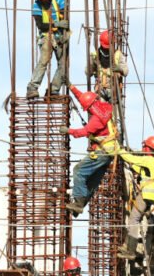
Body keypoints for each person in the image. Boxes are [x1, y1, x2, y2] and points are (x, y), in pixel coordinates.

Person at [60, 85, 117, 215]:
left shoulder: (96, 119)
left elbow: (84, 132)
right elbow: (84, 98)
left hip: (101, 152)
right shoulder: (105, 107)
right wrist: (71, 87)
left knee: (79, 171)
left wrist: (68, 130)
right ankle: (80, 204)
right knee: (91, 182)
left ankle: (79, 202)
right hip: (109, 153)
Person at [116, 136, 154, 260]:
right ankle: (127, 245)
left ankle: (131, 250)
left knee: (134, 219)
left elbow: (131, 158)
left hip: (146, 194)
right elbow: (141, 169)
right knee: (135, 218)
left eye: (144, 146)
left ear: (148, 148)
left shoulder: (148, 159)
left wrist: (119, 150)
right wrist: (130, 166)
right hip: (152, 197)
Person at [27, 0, 69, 99]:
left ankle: (53, 90)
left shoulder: (59, 0)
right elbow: (41, 25)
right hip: (46, 36)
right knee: (44, 61)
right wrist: (57, 24)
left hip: (60, 36)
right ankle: (32, 88)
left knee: (63, 65)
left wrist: (62, 25)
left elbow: (65, 17)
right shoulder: (36, 6)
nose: (44, 0)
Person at [88, 30, 128, 103]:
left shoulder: (118, 54)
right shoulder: (95, 55)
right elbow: (88, 72)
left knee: (114, 112)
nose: (106, 49)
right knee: (100, 111)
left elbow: (126, 71)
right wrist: (91, 64)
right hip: (100, 89)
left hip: (113, 89)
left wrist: (119, 69)